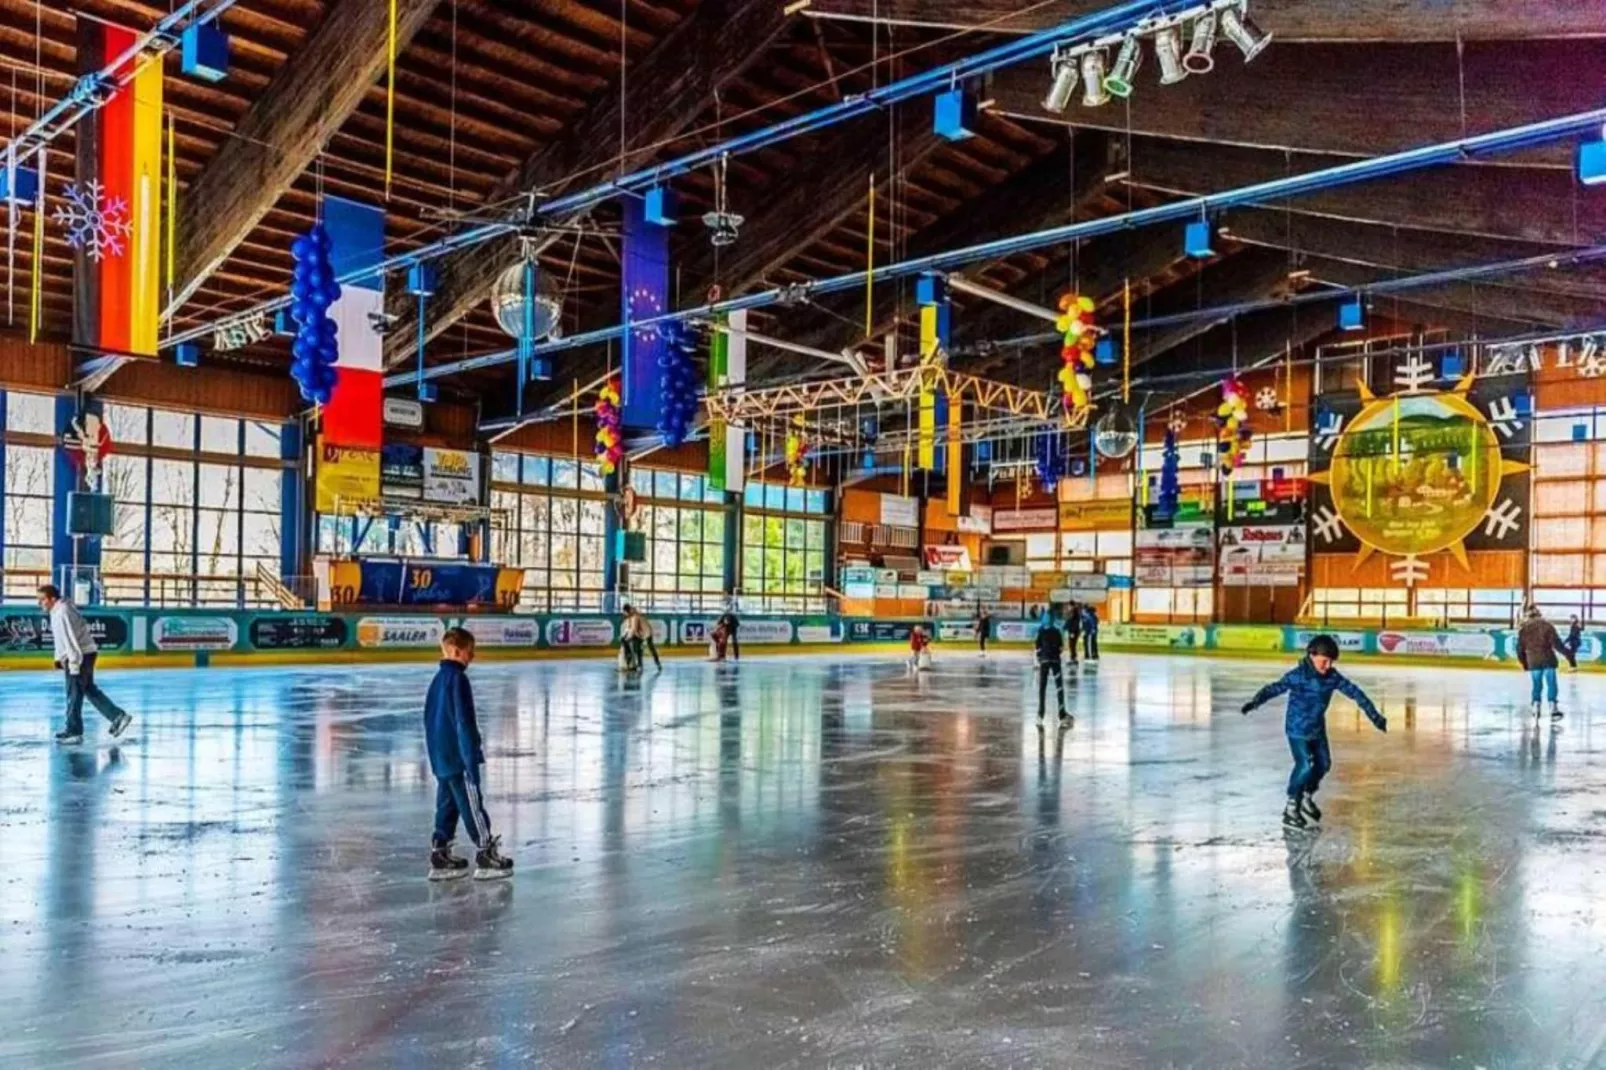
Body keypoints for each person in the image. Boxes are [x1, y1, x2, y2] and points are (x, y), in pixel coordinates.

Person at [1241, 633, 1386, 830]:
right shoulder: (1298, 675)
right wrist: (1255, 702)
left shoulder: (1332, 677)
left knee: (1324, 764)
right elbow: (1275, 688)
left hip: (1317, 729)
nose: (1328, 666)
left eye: (1331, 662)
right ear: (1312, 654)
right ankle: (1291, 806)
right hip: (1297, 729)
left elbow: (1356, 693)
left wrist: (1374, 716)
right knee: (1305, 765)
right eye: (1325, 661)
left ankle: (1306, 796)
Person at [424, 627, 512, 881]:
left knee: (447, 805)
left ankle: (439, 852)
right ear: (454, 650)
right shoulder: (458, 680)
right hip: (458, 756)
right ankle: (486, 852)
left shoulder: (438, 680)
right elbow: (464, 722)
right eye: (469, 652)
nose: (472, 657)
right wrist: (471, 759)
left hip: (441, 756)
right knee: (472, 804)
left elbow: (428, 720)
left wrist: (436, 755)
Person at [40, 584, 131, 746]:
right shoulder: (59, 610)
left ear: (52, 599)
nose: (40, 603)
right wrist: (58, 657)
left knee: (74, 692)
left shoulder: (62, 612)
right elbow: (61, 639)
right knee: (88, 689)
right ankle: (117, 716)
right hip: (84, 653)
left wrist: (74, 663)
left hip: (79, 655)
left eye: (43, 599)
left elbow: (70, 639)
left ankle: (74, 732)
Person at [1517, 606, 1567, 720]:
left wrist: (1524, 663)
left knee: (1536, 684)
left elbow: (1520, 648)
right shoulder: (1547, 626)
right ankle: (1553, 708)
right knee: (1551, 683)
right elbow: (1557, 643)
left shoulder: (1524, 629)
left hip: (1533, 660)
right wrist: (1568, 655)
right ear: (1539, 615)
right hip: (1548, 659)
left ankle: (1536, 706)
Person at [1034, 617, 1070, 726]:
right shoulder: (1057, 631)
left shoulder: (1041, 631)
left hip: (1044, 661)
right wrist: (1055, 655)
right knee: (1059, 688)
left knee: (1042, 688)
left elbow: (1037, 647)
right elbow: (1061, 647)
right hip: (1055, 661)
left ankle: (1040, 715)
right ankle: (1062, 714)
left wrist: (1040, 657)